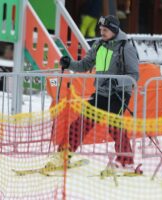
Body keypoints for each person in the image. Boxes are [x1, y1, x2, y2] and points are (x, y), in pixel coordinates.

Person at [59, 15, 140, 172]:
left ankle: (125, 162)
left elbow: (134, 75)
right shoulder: (98, 45)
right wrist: (70, 64)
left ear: (114, 30)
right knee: (81, 123)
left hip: (119, 94)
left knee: (114, 127)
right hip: (102, 92)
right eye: (101, 30)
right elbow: (85, 64)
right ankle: (63, 155)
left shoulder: (126, 47)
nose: (102, 33)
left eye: (105, 30)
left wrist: (117, 81)